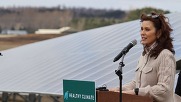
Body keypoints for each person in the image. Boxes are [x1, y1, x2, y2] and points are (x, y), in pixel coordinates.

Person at [109, 11, 177, 102]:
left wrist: (136, 92)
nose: (142, 33)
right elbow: (136, 83)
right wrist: (118, 90)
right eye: (141, 29)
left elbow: (164, 90)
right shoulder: (143, 55)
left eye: (147, 29)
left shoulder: (165, 55)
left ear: (159, 33)